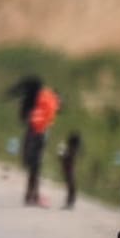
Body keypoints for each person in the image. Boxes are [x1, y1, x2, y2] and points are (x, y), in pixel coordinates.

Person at [8, 75, 60, 207]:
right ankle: (32, 194)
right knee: (35, 166)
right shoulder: (45, 99)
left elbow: (25, 119)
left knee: (32, 165)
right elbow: (54, 112)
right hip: (42, 134)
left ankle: (31, 194)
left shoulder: (31, 101)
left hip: (34, 134)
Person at [59, 132, 81, 209]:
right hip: (69, 170)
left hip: (68, 170)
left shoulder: (70, 149)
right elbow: (62, 157)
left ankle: (70, 202)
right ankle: (70, 202)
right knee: (71, 187)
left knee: (71, 187)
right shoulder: (71, 150)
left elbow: (61, 157)